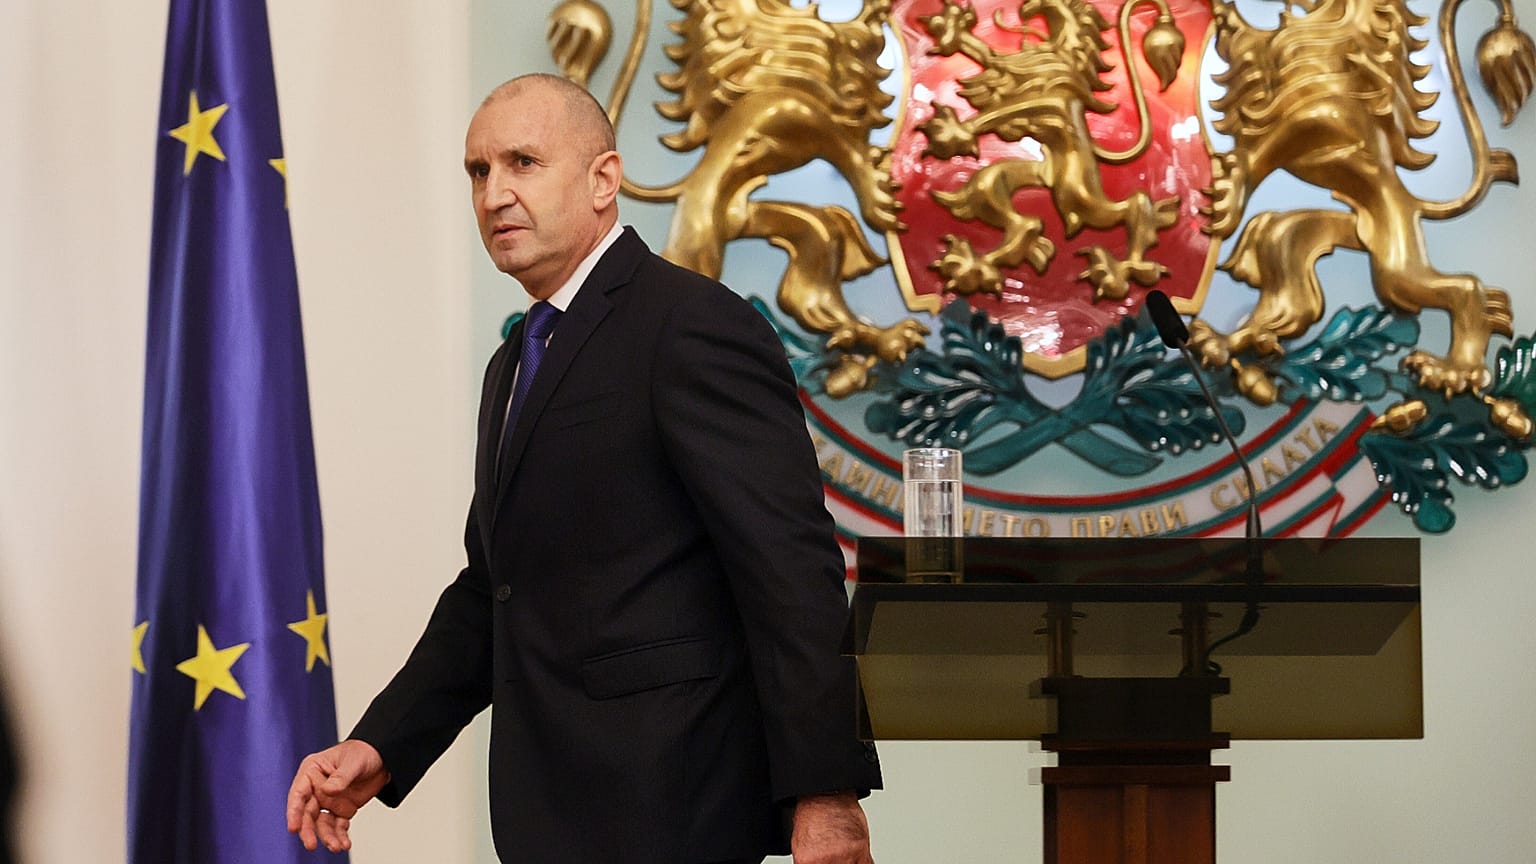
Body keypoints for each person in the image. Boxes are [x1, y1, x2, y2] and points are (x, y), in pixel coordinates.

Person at [286, 73, 881, 863]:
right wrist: (383, 743)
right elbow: (492, 589)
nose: (495, 192)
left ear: (604, 180)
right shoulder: (516, 360)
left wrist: (826, 792)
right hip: (549, 817)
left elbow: (790, 571)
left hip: (676, 811)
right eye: (478, 170)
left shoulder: (691, 325)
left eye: (523, 162)